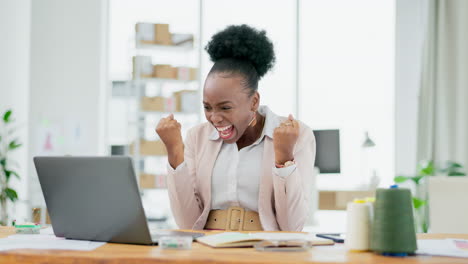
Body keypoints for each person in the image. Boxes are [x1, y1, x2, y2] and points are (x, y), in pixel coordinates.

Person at [155, 24, 316, 231]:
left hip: (263, 250)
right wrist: (174, 152)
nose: (215, 118)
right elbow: (187, 223)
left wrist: (284, 156)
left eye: (225, 107)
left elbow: (292, 227)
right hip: (208, 249)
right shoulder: (197, 137)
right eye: (207, 107)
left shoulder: (297, 135)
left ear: (254, 102)